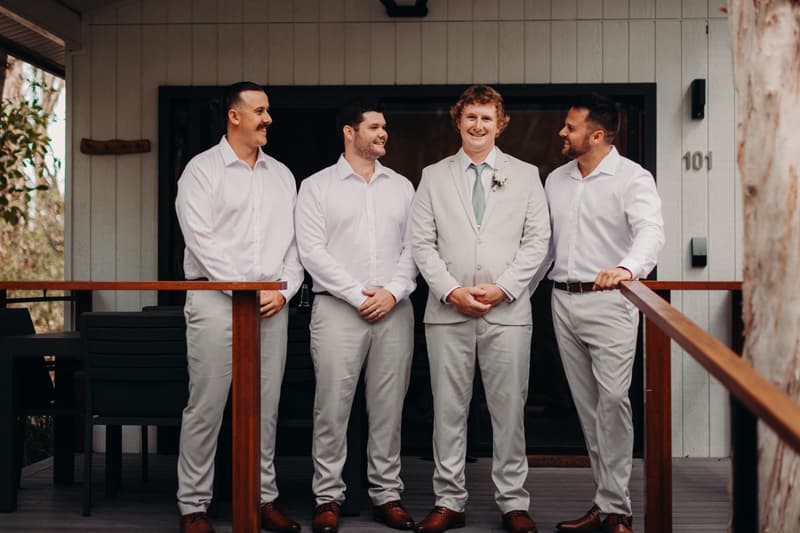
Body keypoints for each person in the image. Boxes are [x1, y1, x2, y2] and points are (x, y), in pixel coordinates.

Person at [410, 85, 550, 533]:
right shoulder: (433, 175)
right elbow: (421, 242)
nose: (478, 125)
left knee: (509, 411)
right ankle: (449, 500)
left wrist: (504, 288)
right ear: (458, 121)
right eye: (470, 117)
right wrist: (451, 290)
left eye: (486, 118)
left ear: (500, 123)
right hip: (446, 313)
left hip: (507, 313)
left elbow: (538, 241)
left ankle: (513, 501)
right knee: (448, 409)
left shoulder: (526, 174)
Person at [174, 81, 304, 533]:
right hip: (214, 300)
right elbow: (201, 241)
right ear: (234, 115)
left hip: (270, 304)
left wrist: (283, 292)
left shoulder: (283, 175)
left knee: (265, 407)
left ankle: (262, 498)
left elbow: (295, 246)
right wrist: (244, 290)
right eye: (260, 111)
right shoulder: (201, 171)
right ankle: (194, 506)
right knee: (206, 405)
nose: (268, 119)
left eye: (268, 111)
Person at [295, 99, 418, 533]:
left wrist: (392, 292)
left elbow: (414, 249)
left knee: (388, 408)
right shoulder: (316, 186)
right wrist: (356, 294)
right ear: (349, 132)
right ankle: (328, 496)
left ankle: (387, 494)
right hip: (336, 309)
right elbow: (311, 251)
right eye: (374, 127)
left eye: (385, 127)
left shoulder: (403, 187)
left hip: (394, 310)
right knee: (331, 407)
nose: (383, 134)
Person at [544, 94, 664, 533]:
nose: (562, 131)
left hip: (610, 300)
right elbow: (546, 246)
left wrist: (627, 269)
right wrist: (511, 288)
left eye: (570, 126)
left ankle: (618, 510)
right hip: (562, 299)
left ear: (596, 135)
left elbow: (650, 232)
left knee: (613, 403)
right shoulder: (556, 180)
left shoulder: (632, 178)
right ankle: (606, 502)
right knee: (589, 408)